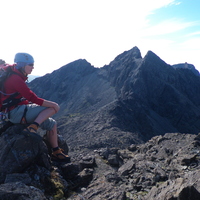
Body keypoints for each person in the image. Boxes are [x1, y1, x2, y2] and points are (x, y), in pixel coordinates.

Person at [1, 53, 70, 162]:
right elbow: (33, 98)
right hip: (15, 113)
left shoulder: (14, 72)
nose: (33, 67)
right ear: (22, 65)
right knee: (53, 108)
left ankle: (56, 151)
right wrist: (54, 105)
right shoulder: (15, 79)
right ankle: (32, 127)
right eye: (31, 64)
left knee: (52, 124)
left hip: (16, 110)